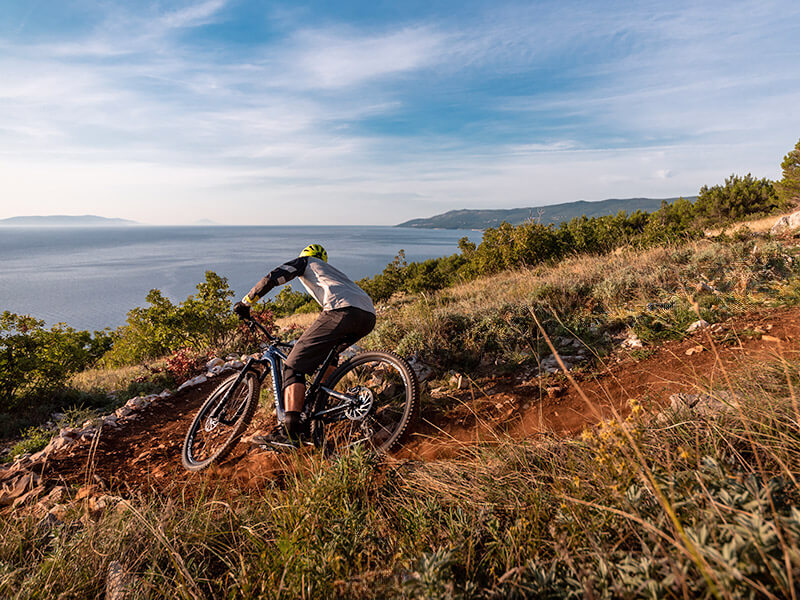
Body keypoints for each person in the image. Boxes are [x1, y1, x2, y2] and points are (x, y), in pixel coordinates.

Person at [233, 244, 376, 446]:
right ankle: (318, 407)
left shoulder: (306, 262)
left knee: (292, 365)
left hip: (342, 310)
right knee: (328, 357)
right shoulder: (332, 273)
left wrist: (246, 302)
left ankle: (289, 432)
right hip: (368, 316)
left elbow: (273, 277)